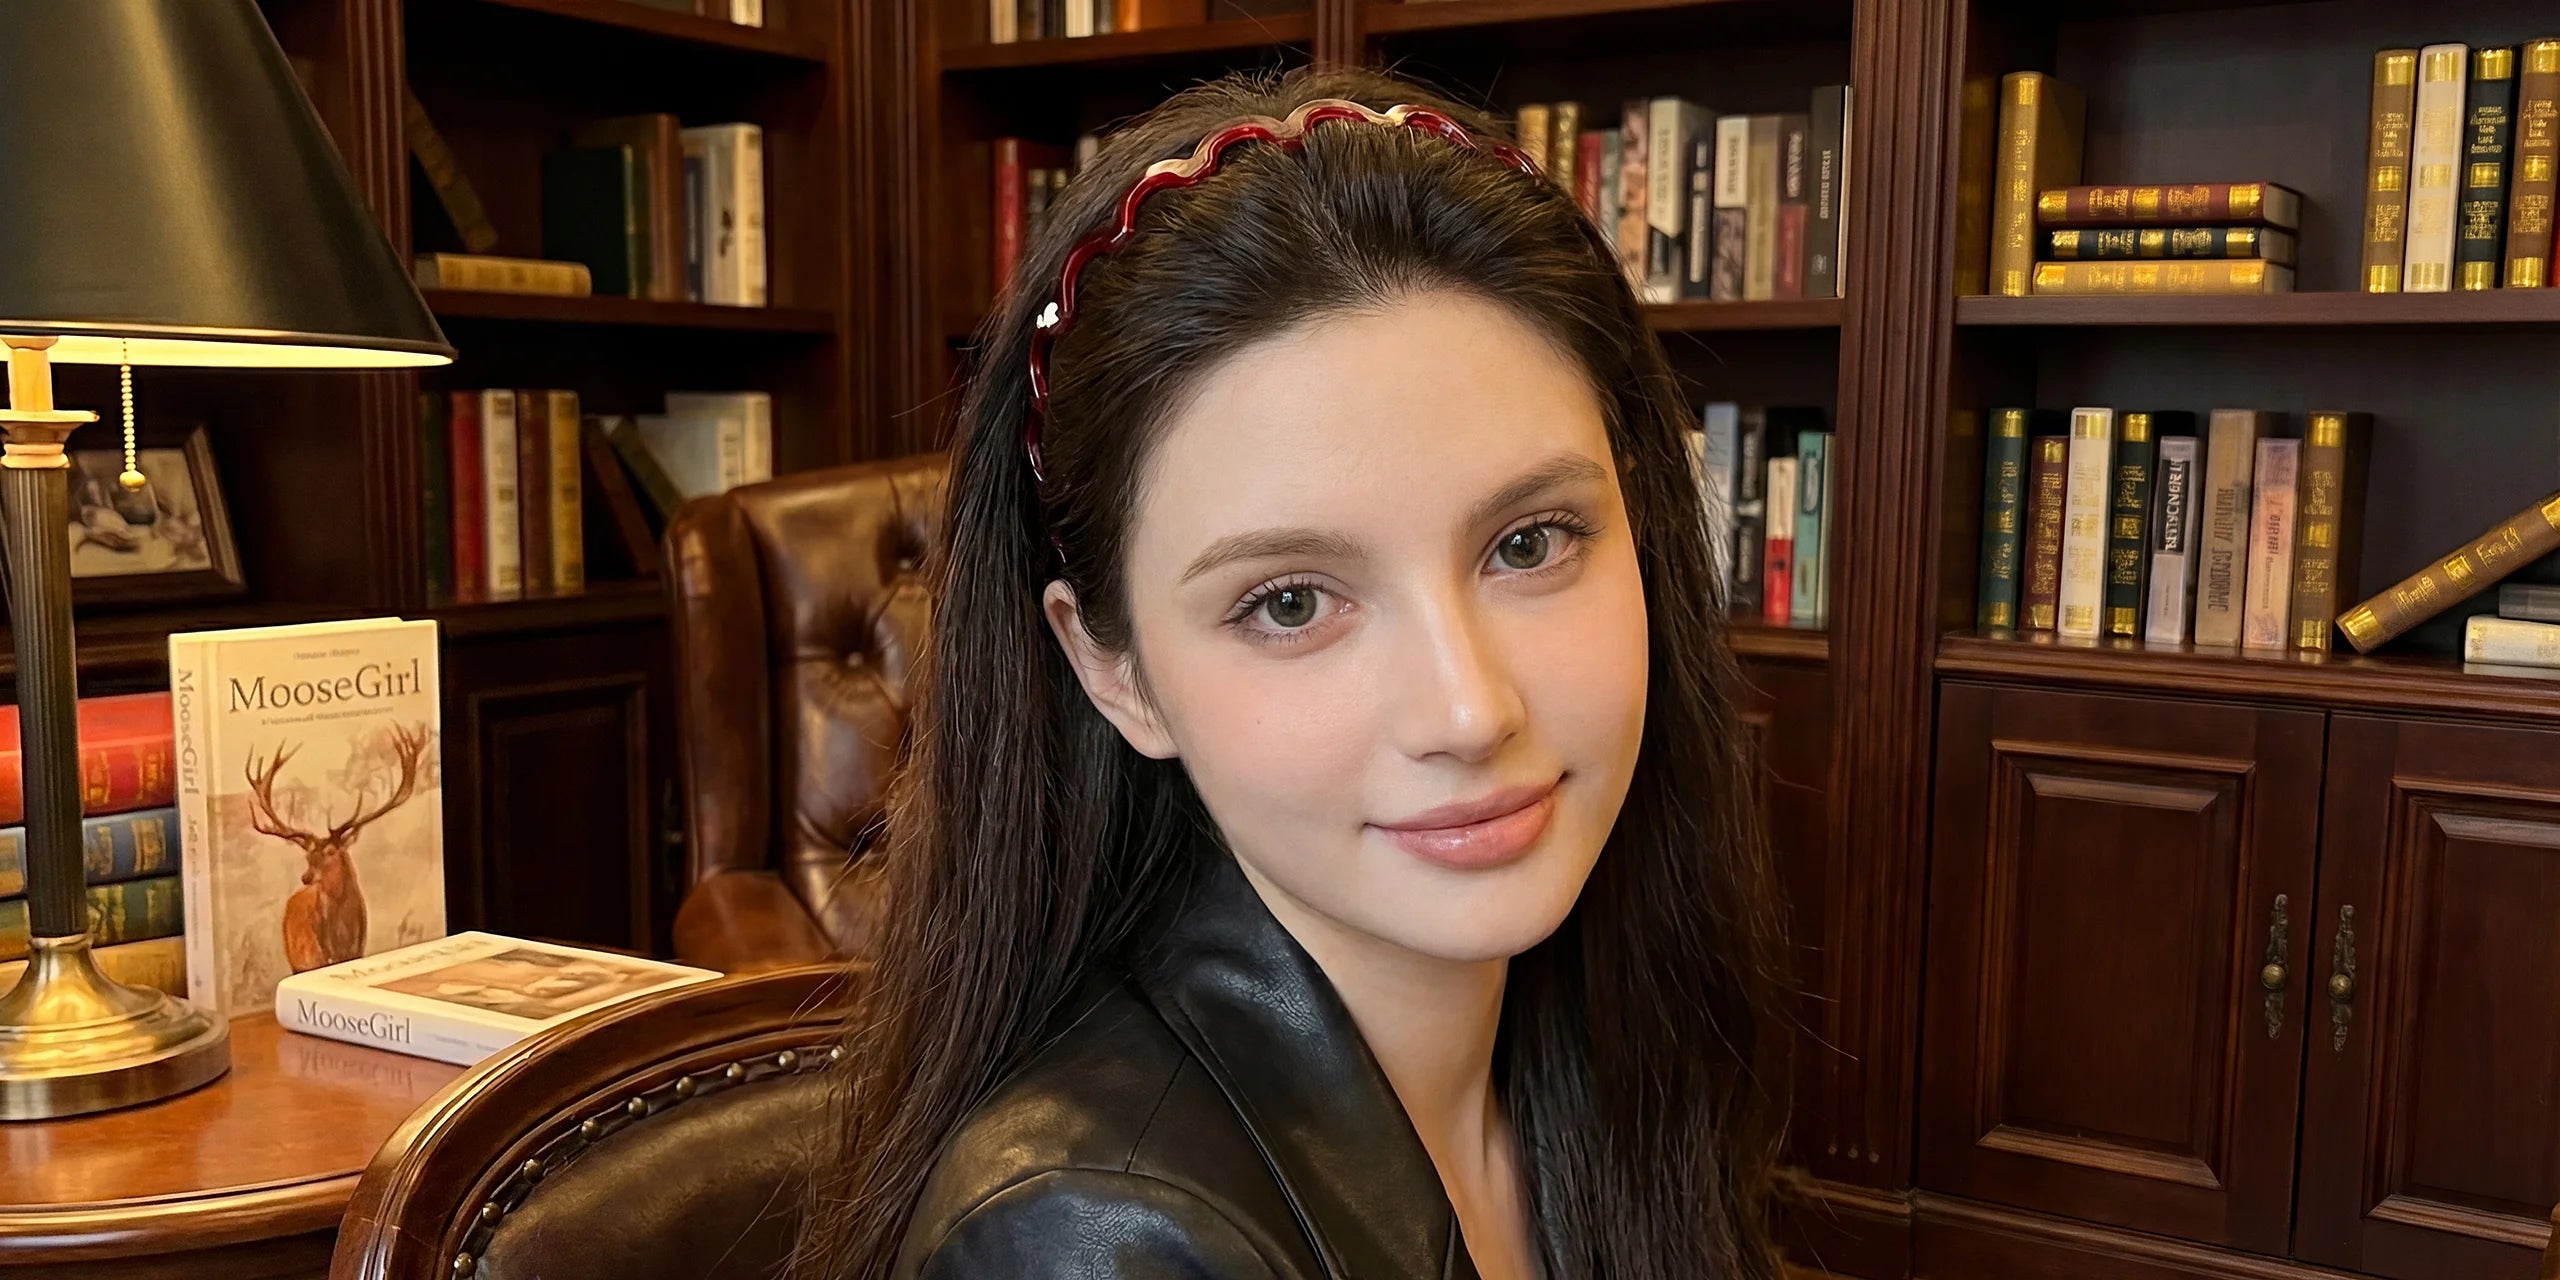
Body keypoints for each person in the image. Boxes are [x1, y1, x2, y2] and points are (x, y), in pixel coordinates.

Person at [793, 66, 1789, 1280]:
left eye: (1529, 543)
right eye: (1290, 603)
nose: (1469, 709)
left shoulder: (1600, 1034)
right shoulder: (1097, 1242)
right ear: (1112, 668)